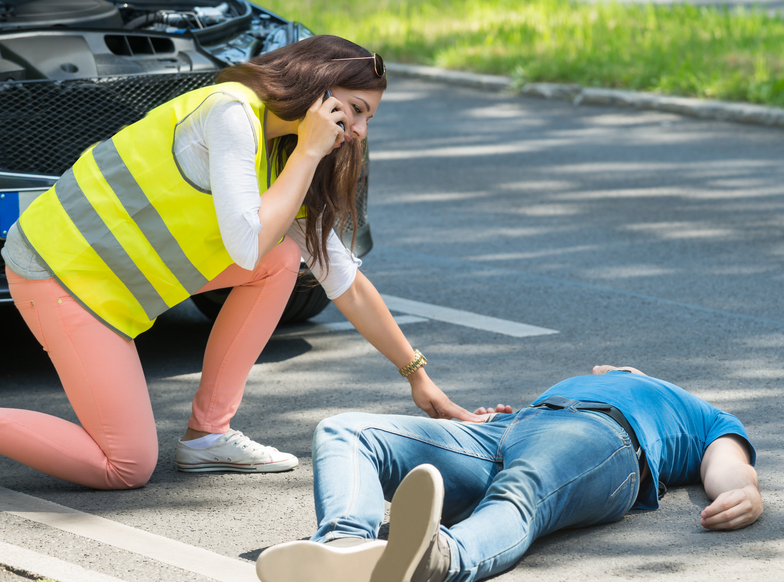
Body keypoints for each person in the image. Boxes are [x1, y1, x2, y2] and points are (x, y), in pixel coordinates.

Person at [0, 35, 481, 491]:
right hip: (58, 272)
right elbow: (247, 245)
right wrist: (310, 151)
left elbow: (347, 284)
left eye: (367, 119)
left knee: (285, 256)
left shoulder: (282, 155)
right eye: (355, 111)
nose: (357, 131)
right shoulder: (230, 113)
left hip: (110, 285)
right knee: (125, 466)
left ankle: (208, 434)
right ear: (316, 89)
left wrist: (420, 380)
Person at [255, 365, 763, 582]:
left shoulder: (697, 410)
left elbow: (726, 456)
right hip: (510, 428)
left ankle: (440, 560)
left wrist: (740, 491)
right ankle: (347, 544)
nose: (612, 366)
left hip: (605, 438)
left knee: (521, 492)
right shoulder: (585, 380)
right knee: (347, 429)